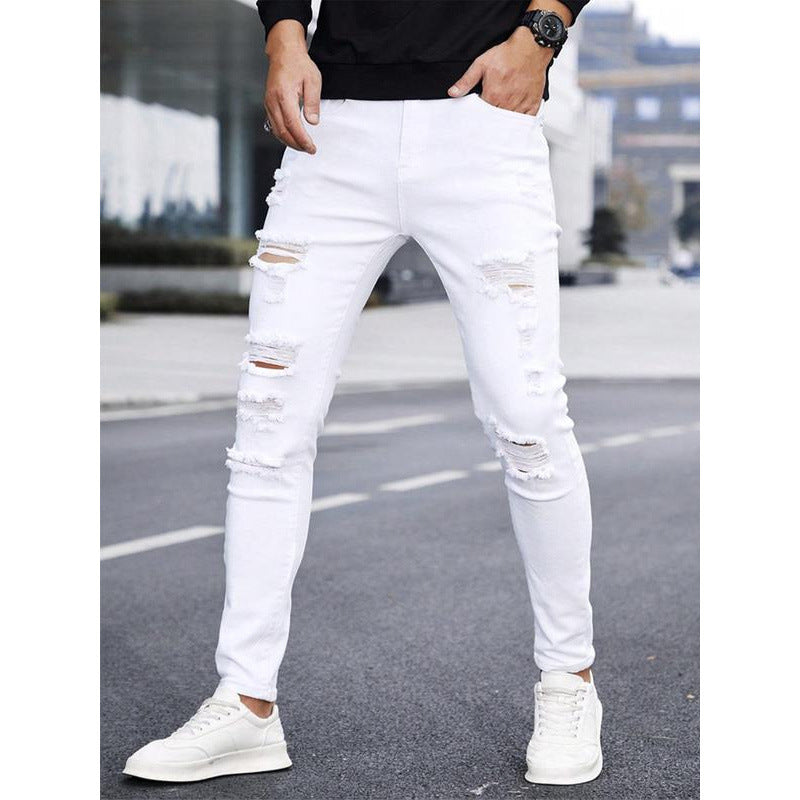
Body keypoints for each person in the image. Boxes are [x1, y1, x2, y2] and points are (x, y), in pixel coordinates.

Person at [124, 0, 602, 787]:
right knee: (269, 423)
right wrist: (283, 35)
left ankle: (568, 682)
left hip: (481, 119)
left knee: (529, 420)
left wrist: (540, 34)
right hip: (334, 124)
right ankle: (246, 702)